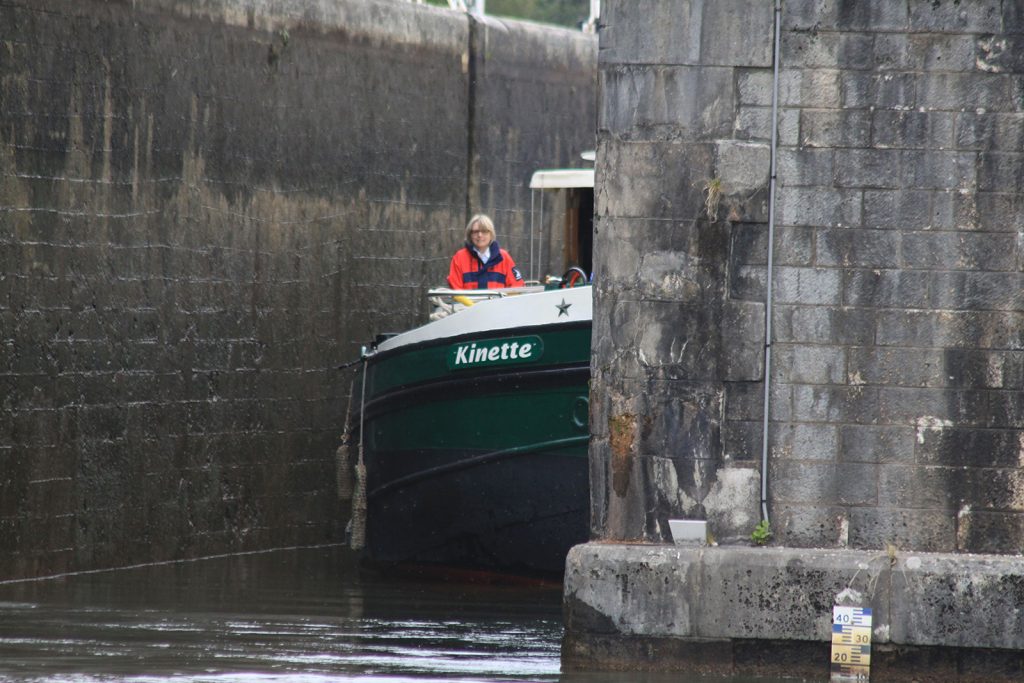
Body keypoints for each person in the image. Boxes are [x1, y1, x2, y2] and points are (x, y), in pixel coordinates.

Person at [446, 214, 524, 289]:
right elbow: (455, 288)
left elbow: (517, 286)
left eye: (484, 231)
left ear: (491, 234)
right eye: (475, 232)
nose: (480, 235)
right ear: (470, 234)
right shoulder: (459, 258)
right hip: (468, 302)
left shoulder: (503, 257)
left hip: (498, 302)